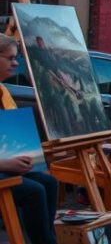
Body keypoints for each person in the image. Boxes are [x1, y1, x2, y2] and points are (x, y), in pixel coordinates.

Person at [0, 34, 59, 244]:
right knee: (34, 191)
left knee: (49, 182)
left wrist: (33, 159)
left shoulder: (3, 91)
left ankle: (46, 239)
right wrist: (5, 162)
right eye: (10, 58)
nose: (16, 63)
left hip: (4, 167)